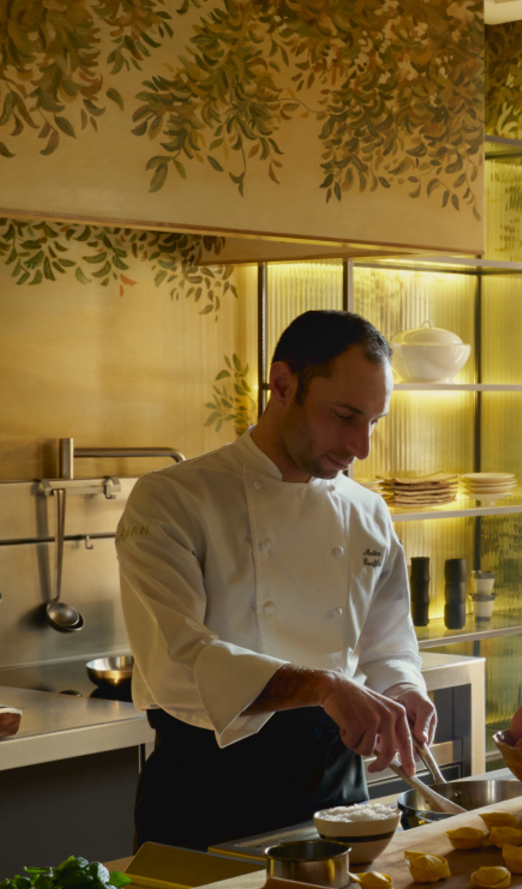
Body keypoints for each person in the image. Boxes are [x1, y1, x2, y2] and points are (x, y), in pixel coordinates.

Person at [117, 309, 434, 851]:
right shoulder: (174, 499)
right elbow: (177, 664)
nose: (361, 446)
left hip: (340, 795)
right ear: (282, 384)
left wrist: (403, 687)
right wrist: (323, 686)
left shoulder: (368, 513)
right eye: (344, 416)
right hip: (208, 797)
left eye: (374, 422)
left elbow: (387, 642)